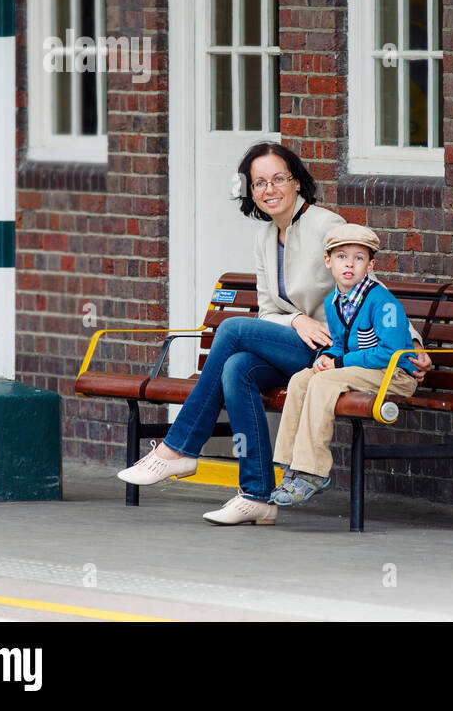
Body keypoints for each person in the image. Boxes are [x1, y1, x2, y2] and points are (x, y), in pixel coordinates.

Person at [115, 142, 431, 525]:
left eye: (279, 179)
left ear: (297, 182)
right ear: (251, 191)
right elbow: (269, 310)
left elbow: (371, 287)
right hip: (298, 347)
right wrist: (297, 320)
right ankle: (257, 495)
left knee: (231, 329)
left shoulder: (326, 226)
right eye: (259, 182)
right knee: (237, 368)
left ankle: (180, 447)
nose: (270, 189)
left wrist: (412, 343)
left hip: (334, 353)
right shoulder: (264, 239)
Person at [270, 223, 420, 507]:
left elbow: (391, 354)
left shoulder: (382, 302)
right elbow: (341, 345)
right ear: (328, 261)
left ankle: (313, 472)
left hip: (395, 375)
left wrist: (338, 362)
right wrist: (327, 359)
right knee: (302, 379)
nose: (349, 264)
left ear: (370, 264)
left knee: (324, 382)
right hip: (363, 371)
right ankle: (291, 466)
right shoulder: (332, 302)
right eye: (341, 256)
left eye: (359, 258)